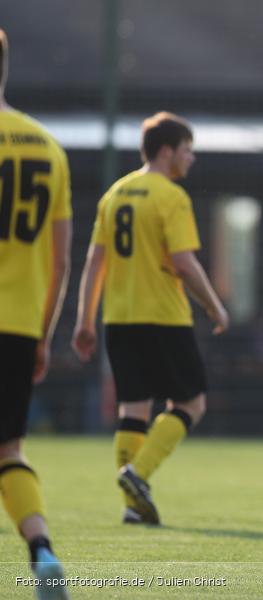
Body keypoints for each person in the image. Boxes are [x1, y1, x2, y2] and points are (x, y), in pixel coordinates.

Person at [72, 112, 229, 526]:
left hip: (119, 318)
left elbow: (94, 263)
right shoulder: (170, 196)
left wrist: (84, 320)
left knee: (133, 408)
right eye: (187, 151)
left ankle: (132, 505)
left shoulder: (115, 193)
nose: (191, 159)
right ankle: (138, 474)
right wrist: (214, 305)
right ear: (166, 152)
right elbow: (184, 263)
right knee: (192, 402)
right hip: (163, 317)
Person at [0, 28, 72, 599]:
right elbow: (62, 258)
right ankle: (42, 549)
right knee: (10, 449)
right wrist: (44, 337)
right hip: (20, 325)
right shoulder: (47, 147)